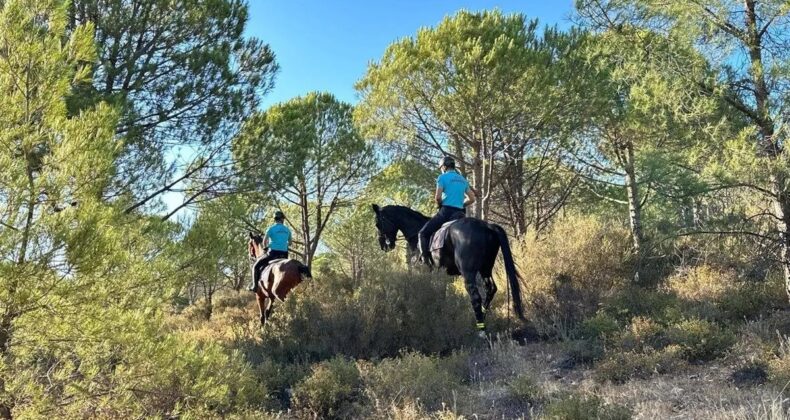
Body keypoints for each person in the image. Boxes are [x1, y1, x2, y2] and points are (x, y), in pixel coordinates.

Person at [418, 156, 475, 266]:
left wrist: (439, 204)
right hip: (460, 214)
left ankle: (425, 262)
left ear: (444, 167)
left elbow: (438, 197)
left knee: (423, 233)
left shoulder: (442, 178)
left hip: (446, 212)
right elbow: (472, 199)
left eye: (441, 168)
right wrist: (461, 204)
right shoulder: (463, 180)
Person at [249, 210, 292, 292]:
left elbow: (264, 242)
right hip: (284, 255)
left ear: (275, 219)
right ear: (282, 219)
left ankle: (254, 286)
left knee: (256, 266)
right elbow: (290, 243)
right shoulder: (287, 230)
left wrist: (266, 247)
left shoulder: (271, 229)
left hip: (273, 253)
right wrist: (283, 244)